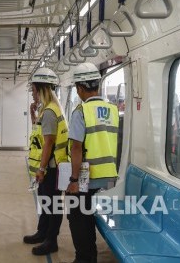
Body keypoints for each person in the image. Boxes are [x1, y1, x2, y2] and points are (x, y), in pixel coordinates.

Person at [66, 63, 119, 263]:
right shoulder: (112, 109)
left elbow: (76, 148)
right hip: (108, 176)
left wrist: (73, 179)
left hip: (87, 177)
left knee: (78, 218)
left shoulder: (81, 111)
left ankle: (85, 259)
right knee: (89, 216)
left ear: (80, 88)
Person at [23, 68, 69, 256]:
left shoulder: (50, 111)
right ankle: (42, 232)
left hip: (51, 168)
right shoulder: (46, 109)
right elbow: (40, 135)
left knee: (52, 205)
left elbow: (49, 143)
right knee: (46, 202)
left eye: (33, 90)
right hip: (49, 167)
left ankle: (51, 240)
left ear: (41, 89)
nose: (32, 93)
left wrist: (41, 169)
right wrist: (34, 114)